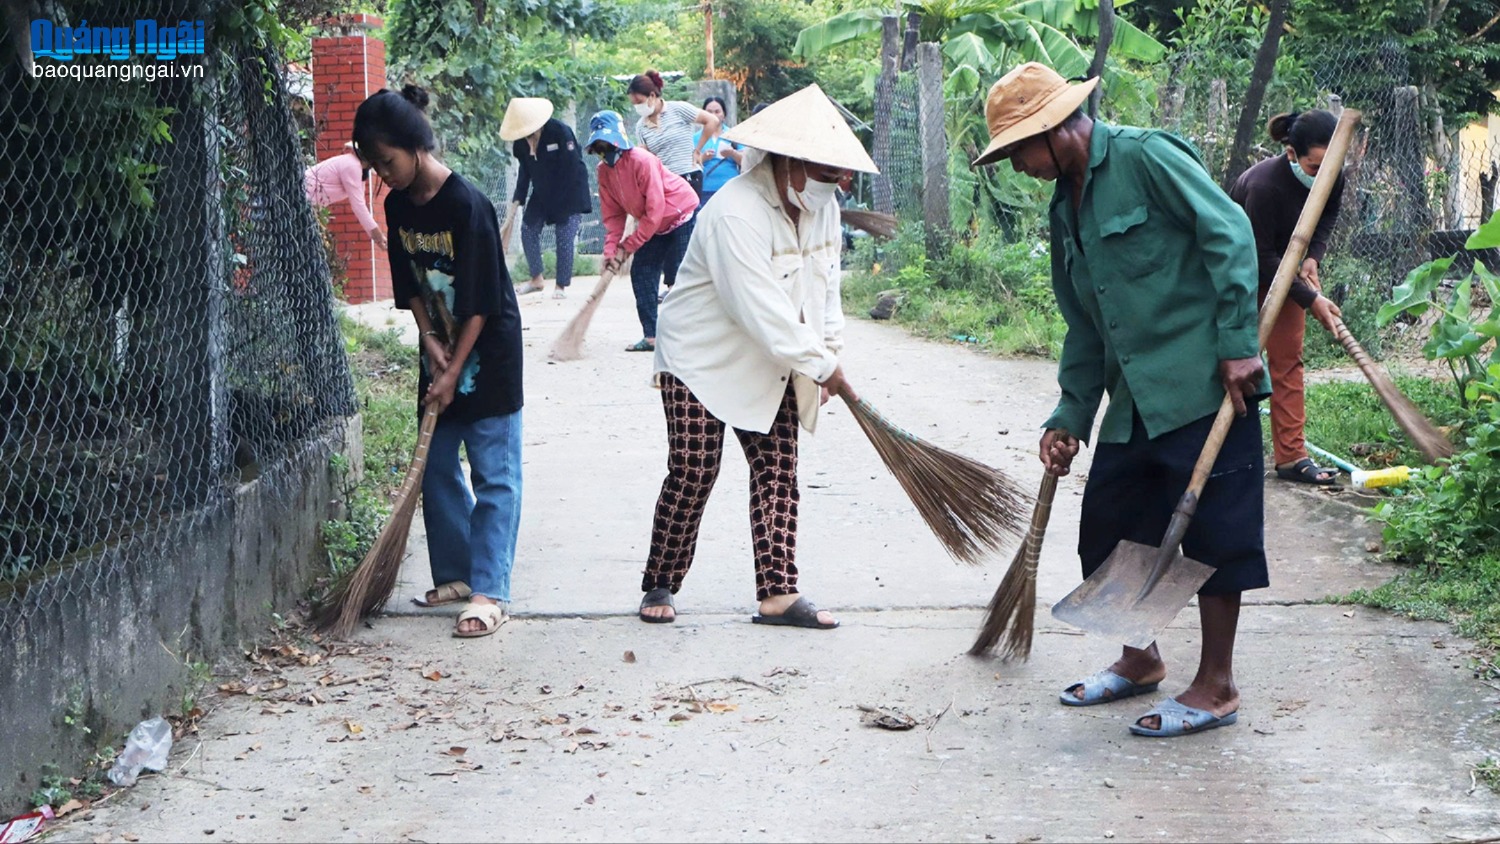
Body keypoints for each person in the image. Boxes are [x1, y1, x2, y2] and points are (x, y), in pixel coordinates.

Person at [974, 63, 1269, 737]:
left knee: (1215, 535)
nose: (1017, 167)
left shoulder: (1147, 157)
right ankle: (1141, 661)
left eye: (1018, 150)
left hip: (1205, 385)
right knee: (1111, 525)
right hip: (1133, 399)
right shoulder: (1063, 207)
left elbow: (1228, 232)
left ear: (1053, 131)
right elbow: (1085, 320)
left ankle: (1217, 685)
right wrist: (1070, 412)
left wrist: (1236, 342)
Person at [635, 83, 871, 631]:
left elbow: (825, 289)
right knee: (695, 470)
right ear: (788, 163)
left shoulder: (823, 207)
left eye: (840, 173)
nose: (836, 183)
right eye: (826, 171)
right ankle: (661, 579)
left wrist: (830, 352)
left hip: (773, 355)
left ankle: (778, 593)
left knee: (777, 469)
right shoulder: (735, 212)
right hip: (699, 357)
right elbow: (759, 309)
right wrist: (820, 364)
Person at [353, 84, 524, 639]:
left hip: (488, 352)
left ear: (416, 146)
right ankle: (454, 574)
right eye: (375, 167)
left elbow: (481, 300)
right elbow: (411, 287)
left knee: (494, 472)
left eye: (388, 161)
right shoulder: (398, 205)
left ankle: (489, 589)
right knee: (438, 462)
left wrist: (454, 370)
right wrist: (430, 343)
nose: (385, 176)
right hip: (442, 348)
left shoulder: (467, 203)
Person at [1229, 110, 1346, 485]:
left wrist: (1313, 257)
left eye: (1329, 166)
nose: (1323, 174)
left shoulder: (1331, 174)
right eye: (1314, 166)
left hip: (1287, 266)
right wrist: (1310, 299)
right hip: (1238, 273)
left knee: (1287, 361)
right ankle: (1217, 449)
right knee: (1235, 361)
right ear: (1292, 154)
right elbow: (1260, 258)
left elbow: (1327, 215)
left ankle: (1291, 458)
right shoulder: (1263, 186)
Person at [585, 110, 699, 353]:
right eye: (599, 148)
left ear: (620, 141)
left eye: (607, 145)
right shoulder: (603, 172)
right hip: (653, 225)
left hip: (680, 213)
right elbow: (613, 216)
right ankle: (652, 336)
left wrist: (628, 246)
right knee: (642, 272)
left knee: (681, 275)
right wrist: (610, 251)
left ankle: (688, 337)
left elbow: (655, 211)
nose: (605, 153)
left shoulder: (642, 161)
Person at [501, 97, 592, 300]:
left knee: (564, 237)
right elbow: (525, 173)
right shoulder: (521, 143)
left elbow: (572, 168)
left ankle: (560, 286)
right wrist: (517, 200)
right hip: (542, 192)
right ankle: (536, 279)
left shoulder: (560, 132)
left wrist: (559, 207)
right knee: (527, 229)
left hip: (570, 191)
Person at [628, 70, 721, 200]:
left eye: (639, 101)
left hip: (689, 175)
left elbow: (712, 121)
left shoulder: (678, 109)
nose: (637, 107)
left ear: (652, 96)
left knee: (690, 217)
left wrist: (698, 149)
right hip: (666, 182)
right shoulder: (641, 126)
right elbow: (648, 158)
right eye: (634, 104)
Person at [305, 142, 387, 250]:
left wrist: (377, 236)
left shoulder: (354, 166)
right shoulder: (352, 165)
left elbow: (359, 202)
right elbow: (359, 206)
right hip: (301, 198)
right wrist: (378, 236)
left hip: (305, 203)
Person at [694, 96, 743, 205]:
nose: (714, 115)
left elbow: (745, 160)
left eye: (717, 111)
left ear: (724, 115)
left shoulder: (734, 135)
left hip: (730, 188)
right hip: (705, 189)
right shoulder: (696, 138)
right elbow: (688, 165)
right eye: (709, 112)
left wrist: (732, 153)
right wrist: (703, 158)